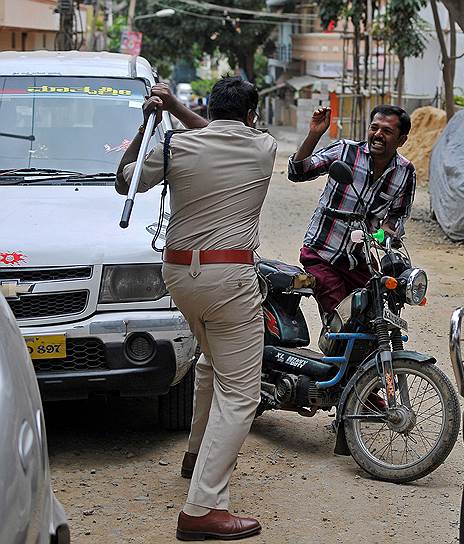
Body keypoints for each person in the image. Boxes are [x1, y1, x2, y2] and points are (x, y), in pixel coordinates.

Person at [116, 77, 277, 541]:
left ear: (210, 106)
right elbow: (218, 131)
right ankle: (203, 507)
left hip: (178, 275)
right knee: (242, 393)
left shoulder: (176, 146)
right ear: (251, 116)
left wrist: (150, 119)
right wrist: (177, 106)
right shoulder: (261, 147)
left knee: (211, 363)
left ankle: (194, 455)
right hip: (228, 281)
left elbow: (123, 181)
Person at [288, 104, 416, 317]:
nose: (378, 134)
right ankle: (333, 347)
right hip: (322, 253)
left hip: (360, 259)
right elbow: (297, 172)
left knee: (375, 314)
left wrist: (385, 233)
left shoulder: (405, 172)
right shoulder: (345, 151)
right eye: (374, 128)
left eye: (387, 131)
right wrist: (314, 134)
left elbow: (398, 215)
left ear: (401, 140)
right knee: (341, 318)